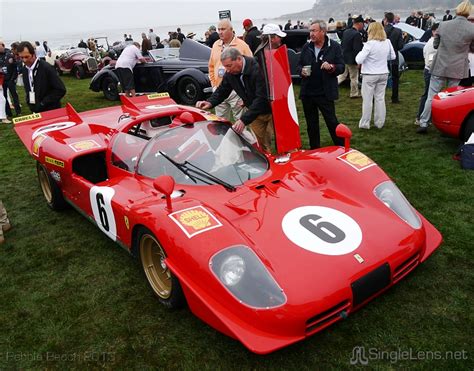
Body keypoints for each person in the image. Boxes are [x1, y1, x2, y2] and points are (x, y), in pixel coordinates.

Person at [196, 47, 273, 152]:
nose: (227, 70)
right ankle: (268, 163)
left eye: (229, 66)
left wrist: (243, 120)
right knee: (260, 145)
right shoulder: (231, 73)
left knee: (283, 141)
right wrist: (210, 102)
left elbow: (262, 98)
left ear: (239, 59)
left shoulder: (257, 69)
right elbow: (222, 90)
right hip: (254, 113)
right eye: (225, 67)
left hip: (272, 110)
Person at [417, 0, 474, 134]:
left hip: (440, 65)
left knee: (431, 96)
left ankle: (424, 122)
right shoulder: (472, 29)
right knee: (451, 99)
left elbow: (436, 44)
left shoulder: (443, 25)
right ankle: (446, 124)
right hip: (458, 67)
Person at [298, 20, 345, 149]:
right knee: (311, 125)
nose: (311, 34)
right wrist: (301, 70)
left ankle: (341, 148)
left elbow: (341, 67)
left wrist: (331, 67)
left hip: (325, 92)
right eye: (310, 31)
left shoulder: (334, 46)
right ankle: (315, 150)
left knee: (331, 122)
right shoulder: (306, 47)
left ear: (323, 32)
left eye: (314, 31)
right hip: (308, 92)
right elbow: (299, 65)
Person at [208, 19, 253, 121]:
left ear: (231, 30)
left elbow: (250, 68)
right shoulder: (215, 45)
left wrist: (245, 91)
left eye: (223, 29)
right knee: (220, 121)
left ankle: (241, 137)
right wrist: (214, 84)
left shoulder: (242, 45)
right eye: (218, 29)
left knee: (240, 121)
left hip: (236, 91)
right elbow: (211, 66)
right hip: (220, 89)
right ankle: (224, 137)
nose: (220, 32)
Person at [355, 22, 396, 129]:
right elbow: (393, 56)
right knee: (380, 98)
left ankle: (365, 123)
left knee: (367, 100)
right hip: (383, 73)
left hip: (370, 75)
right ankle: (379, 123)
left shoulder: (369, 44)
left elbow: (358, 59)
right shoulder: (387, 42)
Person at [17, 41, 66, 113]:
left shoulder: (46, 68)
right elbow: (29, 88)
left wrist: (43, 103)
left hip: (51, 110)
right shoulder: (25, 69)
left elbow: (60, 90)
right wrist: (30, 102)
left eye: (27, 57)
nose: (24, 60)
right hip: (35, 110)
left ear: (34, 55)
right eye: (21, 57)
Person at [415, 23, 439, 126]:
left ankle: (425, 117)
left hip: (431, 70)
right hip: (431, 71)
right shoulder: (431, 45)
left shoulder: (433, 43)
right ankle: (420, 117)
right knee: (427, 95)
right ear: (433, 31)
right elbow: (430, 61)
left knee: (428, 95)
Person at [338, 15, 364, 98]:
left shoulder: (346, 32)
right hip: (352, 59)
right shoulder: (357, 34)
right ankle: (354, 93)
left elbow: (342, 44)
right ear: (359, 24)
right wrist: (358, 61)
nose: (363, 26)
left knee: (342, 76)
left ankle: (329, 88)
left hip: (344, 57)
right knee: (354, 77)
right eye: (362, 24)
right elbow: (357, 49)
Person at [384, 12, 404, 104]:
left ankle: (380, 97)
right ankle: (394, 98)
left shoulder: (382, 31)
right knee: (395, 78)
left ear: (385, 20)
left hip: (382, 58)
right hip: (394, 57)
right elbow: (400, 46)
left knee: (382, 79)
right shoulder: (398, 31)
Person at [0, 40, 20, 118]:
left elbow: (15, 67)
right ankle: (8, 113)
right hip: (2, 80)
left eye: (0, 46)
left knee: (14, 96)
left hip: (11, 79)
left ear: (3, 46)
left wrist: (13, 78)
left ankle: (18, 112)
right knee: (4, 97)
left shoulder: (10, 55)